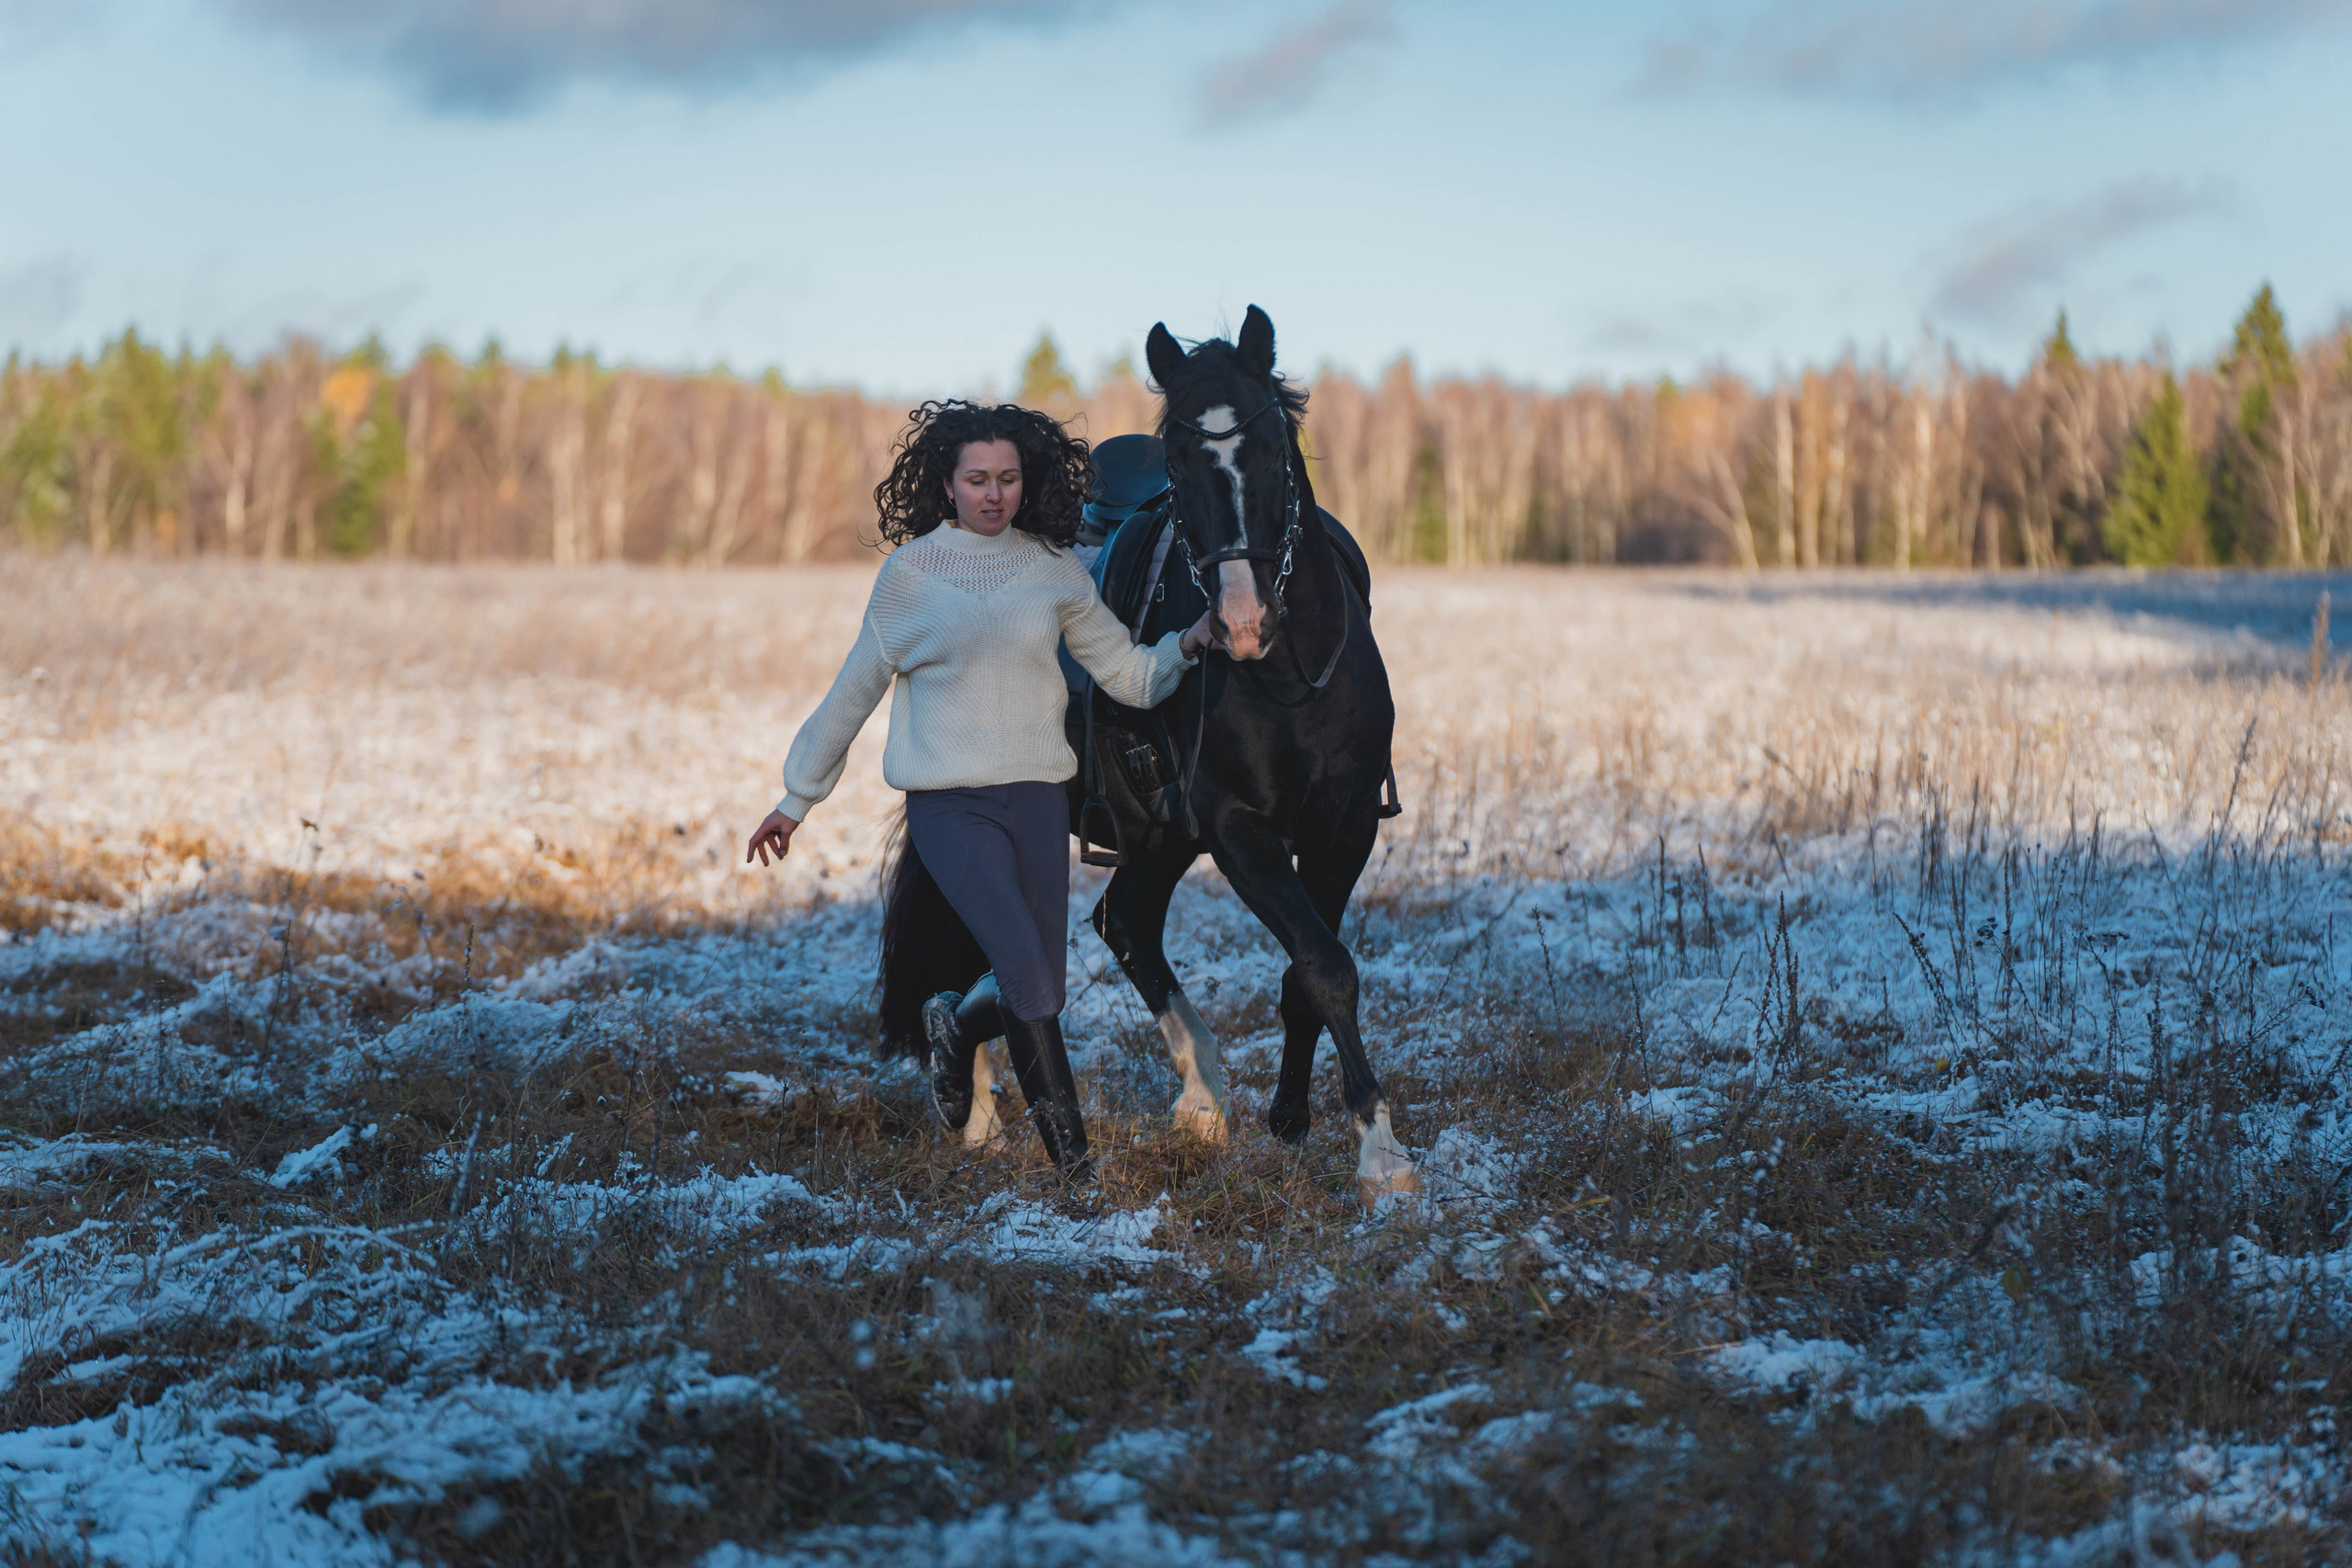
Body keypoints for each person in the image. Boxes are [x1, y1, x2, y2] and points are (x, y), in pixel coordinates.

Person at [743, 402, 1216, 1182]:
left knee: (1045, 986)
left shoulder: (1054, 569)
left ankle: (955, 1030)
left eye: (1007, 478)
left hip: (1037, 801)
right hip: (950, 807)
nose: (993, 494)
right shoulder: (911, 576)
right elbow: (853, 692)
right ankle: (1078, 1178)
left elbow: (1126, 674)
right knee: (1026, 974)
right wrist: (796, 799)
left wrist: (1185, 646)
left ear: (1026, 483)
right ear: (947, 485)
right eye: (977, 480)